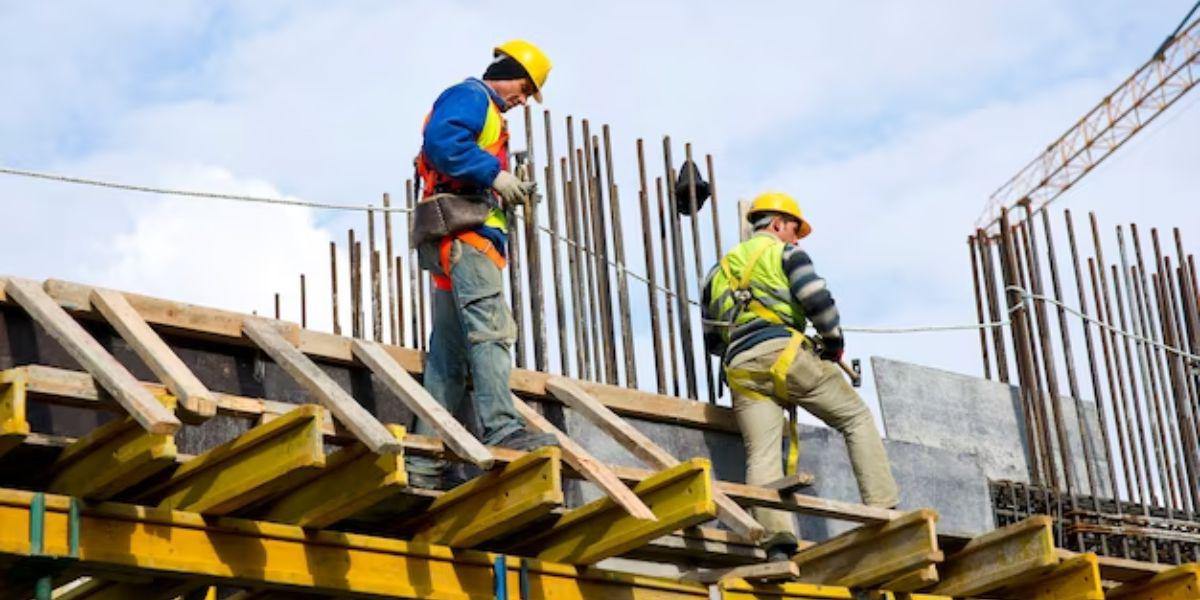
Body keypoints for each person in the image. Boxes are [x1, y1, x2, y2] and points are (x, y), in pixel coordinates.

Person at [701, 192, 899, 560]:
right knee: (855, 418)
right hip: (786, 354)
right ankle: (884, 511)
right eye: (794, 230)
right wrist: (833, 343)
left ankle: (777, 543)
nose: (797, 238)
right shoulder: (786, 254)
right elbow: (817, 301)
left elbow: (713, 339)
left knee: (760, 454)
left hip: (740, 368)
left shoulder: (717, 272)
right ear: (776, 225)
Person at [407, 40, 557, 489]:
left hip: (457, 240)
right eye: (525, 88)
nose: (523, 100)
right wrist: (495, 176)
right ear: (507, 71)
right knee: (492, 331)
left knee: (449, 358)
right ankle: (503, 427)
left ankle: (424, 461)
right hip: (467, 239)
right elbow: (442, 142)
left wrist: (507, 186)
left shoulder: (487, 114)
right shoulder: (473, 96)